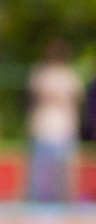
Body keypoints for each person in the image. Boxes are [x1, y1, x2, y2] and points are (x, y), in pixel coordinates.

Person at [27, 39, 82, 203]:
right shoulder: (55, 75)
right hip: (50, 127)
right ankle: (53, 203)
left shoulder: (51, 74)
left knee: (53, 173)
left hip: (55, 127)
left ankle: (54, 203)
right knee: (50, 173)